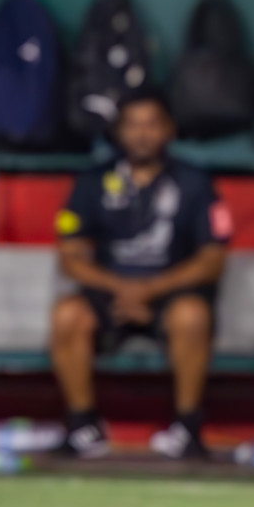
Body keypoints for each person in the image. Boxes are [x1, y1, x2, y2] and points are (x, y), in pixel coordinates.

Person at [48, 87, 231, 460]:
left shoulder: (195, 183)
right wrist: (124, 289)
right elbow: (71, 257)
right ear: (118, 131)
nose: (143, 134)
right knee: (67, 314)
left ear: (169, 130)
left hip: (172, 291)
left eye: (152, 125)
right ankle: (83, 426)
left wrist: (149, 289)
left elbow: (212, 260)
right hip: (110, 293)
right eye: (133, 125)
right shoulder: (92, 182)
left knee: (192, 316)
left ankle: (187, 429)